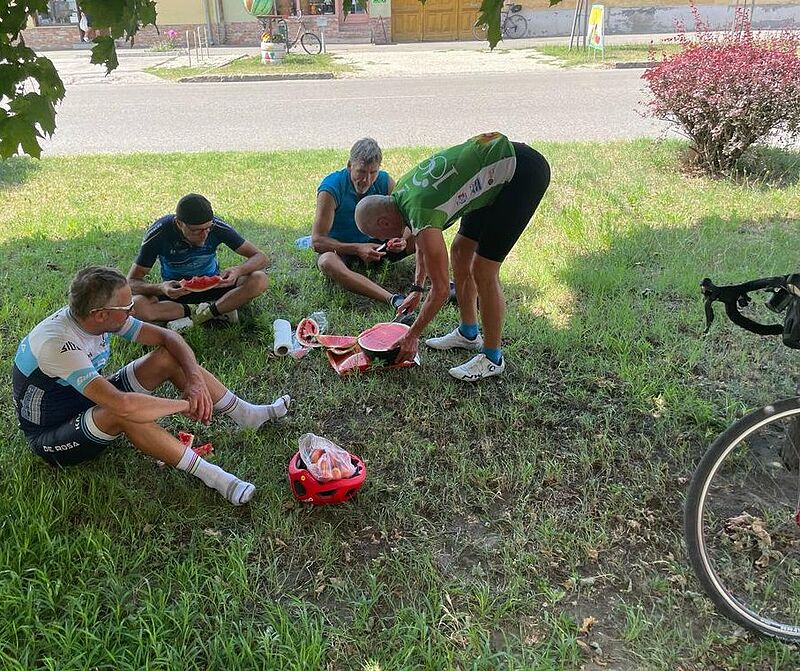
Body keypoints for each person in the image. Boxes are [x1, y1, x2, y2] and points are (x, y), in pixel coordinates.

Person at [11, 266, 291, 506]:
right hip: (51, 434)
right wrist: (185, 404)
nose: (133, 309)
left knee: (167, 358)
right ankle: (215, 477)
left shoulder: (97, 319)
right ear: (99, 314)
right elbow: (123, 404)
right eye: (126, 307)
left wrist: (194, 382)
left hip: (86, 400)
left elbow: (170, 339)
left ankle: (246, 415)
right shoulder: (57, 344)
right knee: (123, 411)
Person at [354, 132, 551, 381]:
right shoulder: (402, 195)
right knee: (460, 250)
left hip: (521, 173)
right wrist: (416, 287)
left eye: (379, 235)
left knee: (483, 269)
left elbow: (441, 290)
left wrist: (413, 334)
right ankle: (469, 333)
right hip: (492, 172)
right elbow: (423, 242)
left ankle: (492, 357)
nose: (385, 240)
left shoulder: (421, 211)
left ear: (383, 222)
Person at [128, 193, 269, 332]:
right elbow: (131, 281)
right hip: (177, 293)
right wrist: (161, 288)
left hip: (216, 287)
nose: (204, 234)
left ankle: (204, 315)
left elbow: (260, 257)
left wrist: (238, 270)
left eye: (208, 228)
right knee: (137, 306)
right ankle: (219, 309)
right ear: (179, 223)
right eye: (196, 231)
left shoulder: (217, 226)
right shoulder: (159, 233)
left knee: (259, 279)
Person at [312, 137, 415, 312]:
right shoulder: (331, 188)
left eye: (372, 172)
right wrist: (357, 248)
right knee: (326, 261)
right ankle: (393, 299)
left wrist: (403, 239)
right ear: (349, 165)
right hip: (344, 250)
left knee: (423, 233)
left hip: (380, 247)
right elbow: (317, 241)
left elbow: (410, 220)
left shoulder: (385, 181)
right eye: (361, 172)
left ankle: (444, 286)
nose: (366, 180)